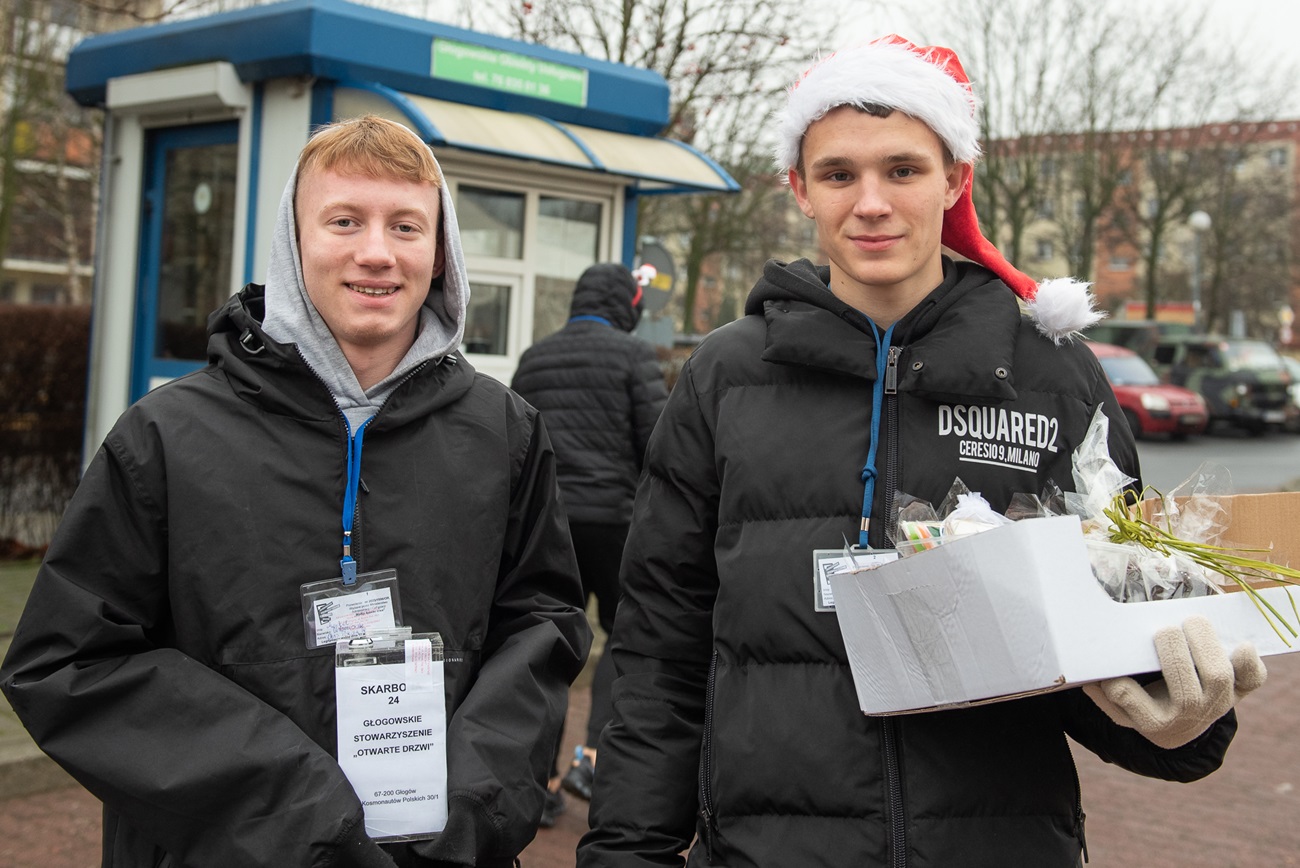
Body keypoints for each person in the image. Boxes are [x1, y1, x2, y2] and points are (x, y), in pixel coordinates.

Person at [577, 38, 1267, 867]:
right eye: (839, 174)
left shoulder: (1055, 377)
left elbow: (1119, 634)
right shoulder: (724, 376)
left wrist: (1180, 719)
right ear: (800, 189)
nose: (871, 203)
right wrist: (628, 852)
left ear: (955, 180)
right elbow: (660, 648)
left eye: (902, 169)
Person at [0, 115, 591, 868]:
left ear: (440, 251)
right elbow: (68, 663)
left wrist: (472, 811)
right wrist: (301, 815)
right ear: (293, 240)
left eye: (406, 226)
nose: (376, 251)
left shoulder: (506, 433)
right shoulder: (165, 438)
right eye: (344, 221)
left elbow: (540, 626)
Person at [510, 263, 669, 825]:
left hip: (549, 525)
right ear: (626, 304)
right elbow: (658, 446)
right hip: (615, 521)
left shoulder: (534, 358)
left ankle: (539, 784)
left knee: (547, 643)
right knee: (625, 634)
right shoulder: (633, 356)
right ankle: (593, 758)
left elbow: (516, 444)